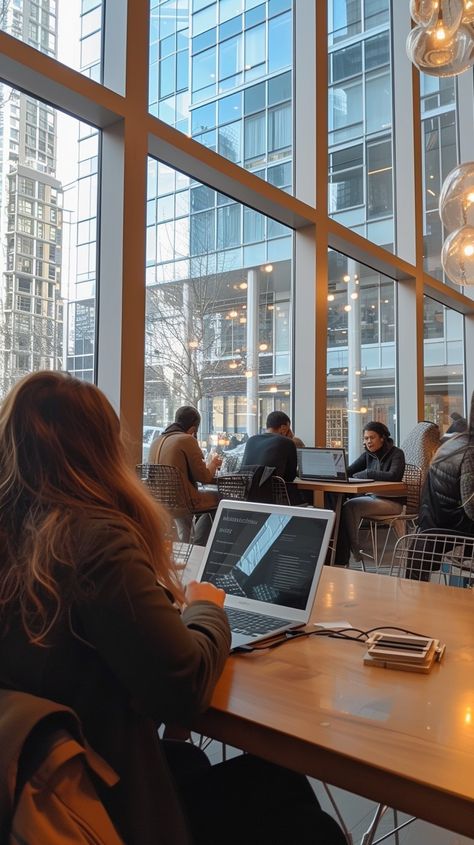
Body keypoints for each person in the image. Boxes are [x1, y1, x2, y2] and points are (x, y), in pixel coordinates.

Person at [0, 371, 345, 845]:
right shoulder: (94, 543)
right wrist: (205, 609)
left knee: (193, 761)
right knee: (293, 802)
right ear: (100, 448)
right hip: (95, 804)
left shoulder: (21, 538)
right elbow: (182, 688)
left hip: (28, 785)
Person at [336, 421, 406, 565]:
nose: (368, 441)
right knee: (344, 505)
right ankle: (345, 551)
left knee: (350, 506)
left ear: (382, 438)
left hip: (392, 502)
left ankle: (355, 551)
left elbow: (394, 476)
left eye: (372, 438)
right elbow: (348, 471)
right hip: (373, 498)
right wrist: (330, 472)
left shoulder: (397, 453)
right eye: (366, 438)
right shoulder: (368, 455)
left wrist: (367, 473)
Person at [149, 405, 221, 544]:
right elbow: (204, 478)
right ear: (193, 429)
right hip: (182, 501)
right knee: (220, 499)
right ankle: (199, 545)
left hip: (158, 499)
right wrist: (213, 464)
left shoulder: (156, 441)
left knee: (186, 514)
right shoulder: (186, 440)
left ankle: (189, 543)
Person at [417, 392, 474, 537]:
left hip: (429, 533)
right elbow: (471, 508)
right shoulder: (469, 451)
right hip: (450, 536)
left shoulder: (455, 442)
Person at [241, 410, 297, 482]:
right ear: (283, 428)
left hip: (247, 490)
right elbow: (290, 477)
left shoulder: (251, 440)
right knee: (306, 492)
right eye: (289, 428)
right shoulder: (287, 442)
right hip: (274, 491)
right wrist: (290, 439)